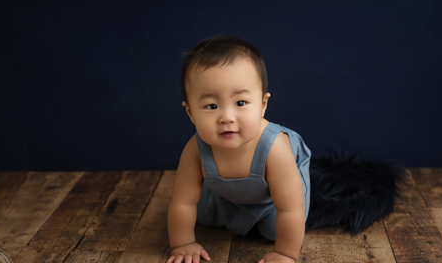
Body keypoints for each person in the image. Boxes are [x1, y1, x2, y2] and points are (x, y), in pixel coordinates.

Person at [166, 36, 404, 263]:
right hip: (227, 194)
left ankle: (270, 225)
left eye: (240, 103)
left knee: (275, 230)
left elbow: (289, 208)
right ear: (190, 113)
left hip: (274, 198)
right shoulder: (195, 149)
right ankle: (232, 210)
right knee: (202, 216)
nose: (227, 117)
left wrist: (285, 253)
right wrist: (182, 243)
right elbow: (182, 203)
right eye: (211, 105)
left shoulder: (274, 148)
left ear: (262, 105)